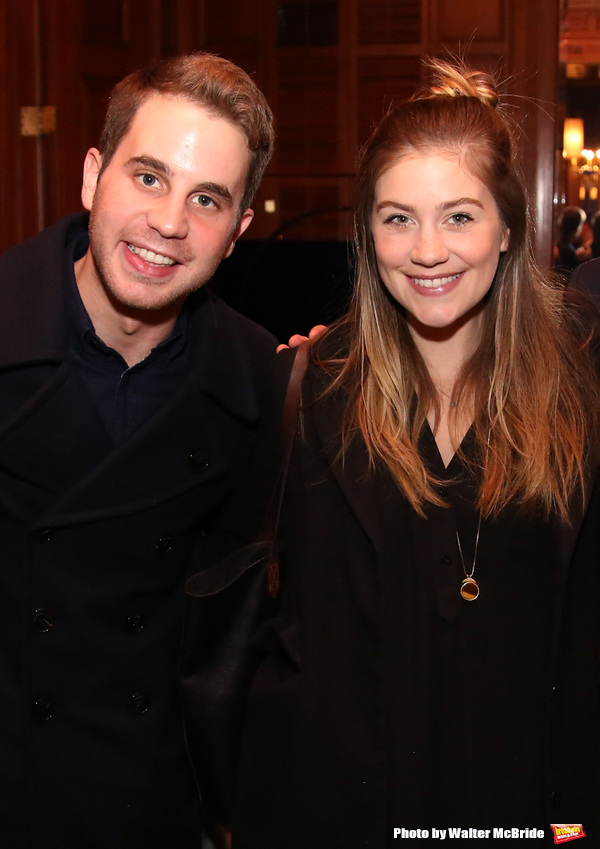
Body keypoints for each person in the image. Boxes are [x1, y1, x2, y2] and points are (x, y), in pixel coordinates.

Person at [224, 61, 600, 847]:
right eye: (398, 218)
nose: (427, 250)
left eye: (459, 216)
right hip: (348, 810)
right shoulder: (313, 394)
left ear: (507, 227)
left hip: (529, 812)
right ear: (367, 233)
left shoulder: (579, 395)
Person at [0, 52, 277, 848]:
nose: (168, 222)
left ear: (237, 232)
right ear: (93, 176)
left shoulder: (259, 383)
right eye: (148, 177)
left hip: (146, 807)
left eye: (207, 199)